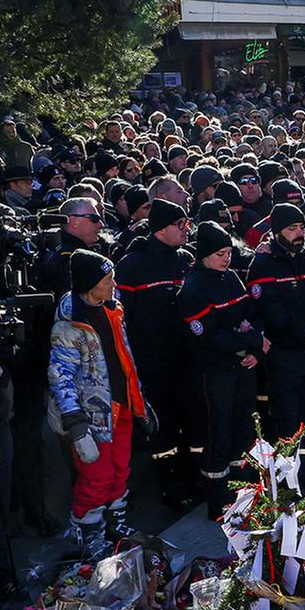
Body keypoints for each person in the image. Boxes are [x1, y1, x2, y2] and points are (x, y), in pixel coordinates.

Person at [47, 249, 148, 554]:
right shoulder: (69, 325)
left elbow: (125, 359)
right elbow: (60, 375)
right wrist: (76, 423)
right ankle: (88, 531)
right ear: (90, 284)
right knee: (96, 477)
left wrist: (141, 400)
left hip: (122, 406)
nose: (114, 284)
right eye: (108, 279)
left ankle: (114, 522)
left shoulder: (113, 310)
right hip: (93, 417)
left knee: (120, 469)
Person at [111, 198, 194, 507]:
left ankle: (191, 479)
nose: (186, 230)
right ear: (160, 229)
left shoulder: (185, 259)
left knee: (188, 421)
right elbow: (121, 318)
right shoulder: (133, 265)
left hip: (186, 358)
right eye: (180, 225)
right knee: (162, 428)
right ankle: (170, 488)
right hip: (151, 363)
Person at [176, 222, 260, 518]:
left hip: (241, 366)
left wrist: (252, 350)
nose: (226, 259)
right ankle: (218, 497)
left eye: (228, 252)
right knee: (219, 431)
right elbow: (208, 336)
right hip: (215, 371)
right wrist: (251, 340)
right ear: (204, 255)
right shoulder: (195, 288)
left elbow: (251, 315)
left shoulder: (231, 278)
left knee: (243, 426)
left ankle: (243, 488)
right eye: (220, 253)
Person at [249, 201, 305, 469]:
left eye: (301, 227)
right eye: (291, 228)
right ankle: (287, 480)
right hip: (283, 354)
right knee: (287, 418)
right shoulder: (263, 264)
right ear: (276, 232)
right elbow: (269, 308)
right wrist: (304, 330)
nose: (299, 233)